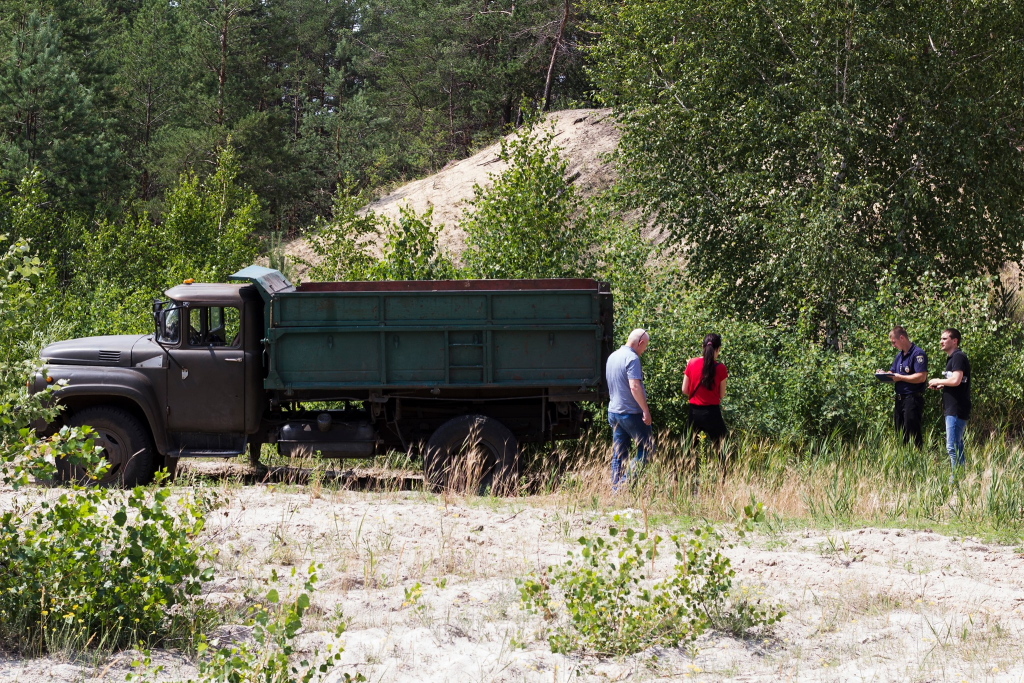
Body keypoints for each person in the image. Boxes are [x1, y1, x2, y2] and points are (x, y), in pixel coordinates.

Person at [605, 328, 653, 489]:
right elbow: (634, 386)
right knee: (647, 449)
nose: (644, 350)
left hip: (614, 412)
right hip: (631, 413)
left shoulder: (612, 357)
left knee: (619, 454)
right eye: (645, 346)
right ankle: (623, 487)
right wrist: (645, 410)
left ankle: (615, 490)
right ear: (640, 343)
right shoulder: (632, 358)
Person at [682, 333, 729, 479]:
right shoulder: (721, 368)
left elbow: (684, 390)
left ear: (702, 347)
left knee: (686, 448)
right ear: (718, 349)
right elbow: (721, 395)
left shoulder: (691, 363)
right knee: (722, 446)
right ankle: (723, 479)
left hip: (694, 412)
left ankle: (680, 480)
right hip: (712, 413)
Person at [928, 328, 971, 484]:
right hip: (954, 408)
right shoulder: (953, 358)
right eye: (941, 338)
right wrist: (942, 386)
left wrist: (939, 380)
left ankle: (956, 482)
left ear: (955, 341)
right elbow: (955, 382)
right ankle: (960, 480)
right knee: (957, 445)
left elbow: (956, 380)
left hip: (957, 408)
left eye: (944, 338)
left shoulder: (958, 357)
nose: (941, 341)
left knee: (952, 447)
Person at [878, 326, 928, 448]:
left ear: (902, 338)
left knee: (913, 432)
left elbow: (921, 377)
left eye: (894, 342)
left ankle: (918, 459)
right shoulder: (899, 356)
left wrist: (900, 377)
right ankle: (904, 462)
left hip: (912, 398)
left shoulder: (917, 354)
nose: (893, 345)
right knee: (900, 433)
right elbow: (893, 372)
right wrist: (884, 374)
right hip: (899, 399)